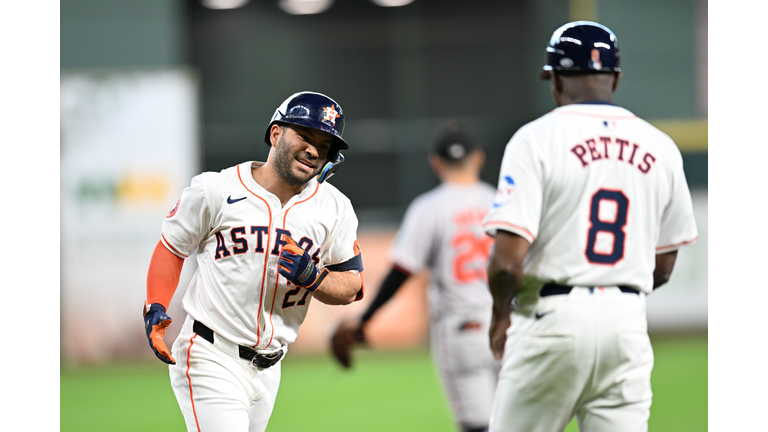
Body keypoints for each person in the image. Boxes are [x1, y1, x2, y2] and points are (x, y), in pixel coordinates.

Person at [482, 21, 698, 432]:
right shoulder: (662, 146)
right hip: (627, 324)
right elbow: (665, 265)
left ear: (556, 80)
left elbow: (506, 265)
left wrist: (499, 316)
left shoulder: (535, 139)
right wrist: (614, 292)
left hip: (552, 318)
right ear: (615, 78)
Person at [142, 91, 365, 432]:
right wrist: (155, 305)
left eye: (325, 145)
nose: (313, 150)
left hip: (270, 368)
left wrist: (314, 277)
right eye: (305, 136)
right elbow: (172, 247)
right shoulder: (216, 189)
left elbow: (352, 285)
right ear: (275, 133)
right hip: (211, 353)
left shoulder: (335, 208)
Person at [331, 122, 500, 432]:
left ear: (436, 162)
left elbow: (401, 271)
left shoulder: (429, 208)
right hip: (509, 326)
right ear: (478, 158)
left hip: (462, 329)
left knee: (478, 426)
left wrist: (365, 320)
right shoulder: (500, 202)